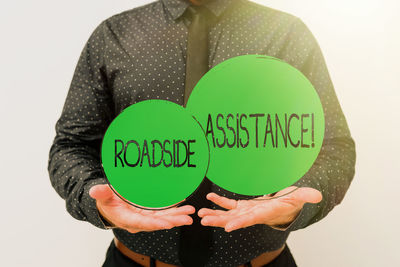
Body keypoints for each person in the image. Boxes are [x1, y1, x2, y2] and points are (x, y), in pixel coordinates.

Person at [48, 0, 356, 266]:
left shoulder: (286, 35)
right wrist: (97, 199)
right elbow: (71, 145)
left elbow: (334, 147)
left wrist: (294, 205)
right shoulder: (114, 36)